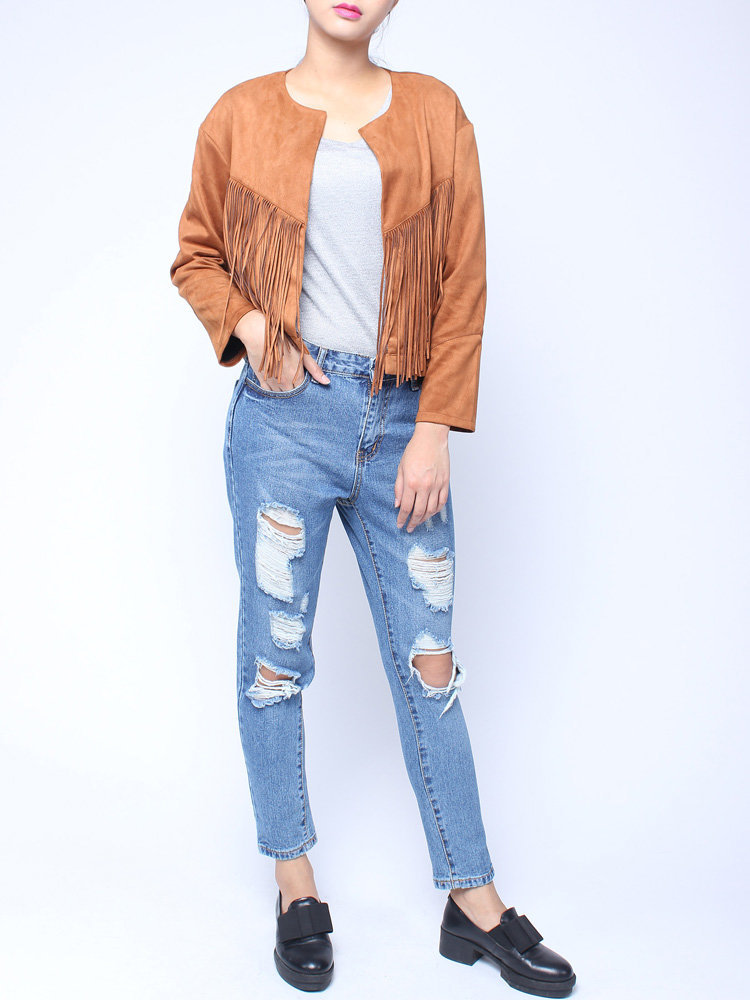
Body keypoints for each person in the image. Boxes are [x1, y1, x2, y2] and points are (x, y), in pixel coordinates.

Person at [170, 1, 576, 994]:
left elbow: (463, 281)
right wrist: (251, 326)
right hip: (284, 422)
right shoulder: (241, 114)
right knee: (274, 660)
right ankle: (294, 883)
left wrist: (436, 424)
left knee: (430, 665)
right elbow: (196, 255)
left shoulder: (436, 113)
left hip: (403, 418)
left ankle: (473, 900)